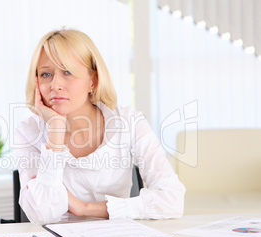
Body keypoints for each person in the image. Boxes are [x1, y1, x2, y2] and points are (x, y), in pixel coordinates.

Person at [14, 28, 185, 225]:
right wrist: (56, 132)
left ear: (93, 81)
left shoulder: (129, 122)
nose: (55, 84)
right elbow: (42, 214)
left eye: (67, 72)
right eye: (46, 74)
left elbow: (172, 200)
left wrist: (84, 208)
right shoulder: (28, 132)